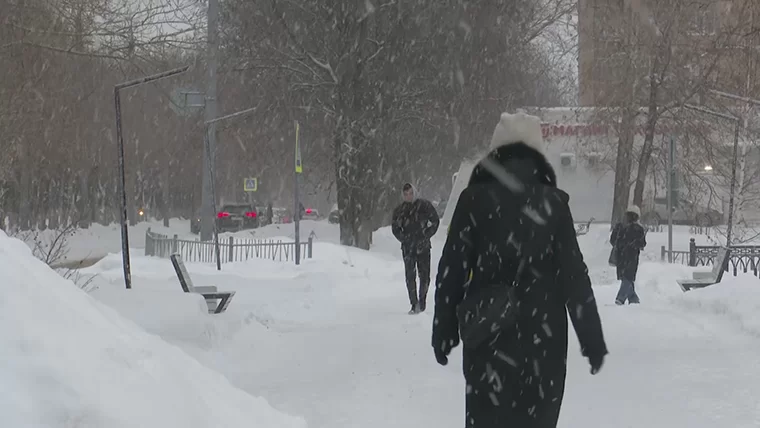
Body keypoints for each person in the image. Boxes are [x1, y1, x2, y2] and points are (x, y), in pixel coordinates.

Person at [431, 112, 608, 428]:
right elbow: (574, 277)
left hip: (487, 336)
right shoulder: (553, 204)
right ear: (536, 154)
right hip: (544, 344)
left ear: (495, 152)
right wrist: (592, 339)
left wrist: (443, 330)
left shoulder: (472, 200)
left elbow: (451, 271)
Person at [392, 183, 440, 314]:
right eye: (406, 194)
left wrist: (426, 235)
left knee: (424, 275)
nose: (409, 196)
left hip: (423, 247)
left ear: (415, 192)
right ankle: (414, 304)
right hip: (408, 249)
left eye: (411, 193)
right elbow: (395, 228)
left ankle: (422, 302)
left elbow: (435, 221)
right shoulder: (400, 210)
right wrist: (404, 239)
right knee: (410, 276)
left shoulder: (424, 206)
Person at [610, 206, 646, 305]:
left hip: (621, 256)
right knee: (628, 277)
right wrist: (633, 245)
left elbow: (612, 240)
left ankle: (632, 298)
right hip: (632, 257)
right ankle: (622, 298)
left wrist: (620, 245)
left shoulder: (619, 226)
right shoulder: (638, 229)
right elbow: (642, 243)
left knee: (626, 277)